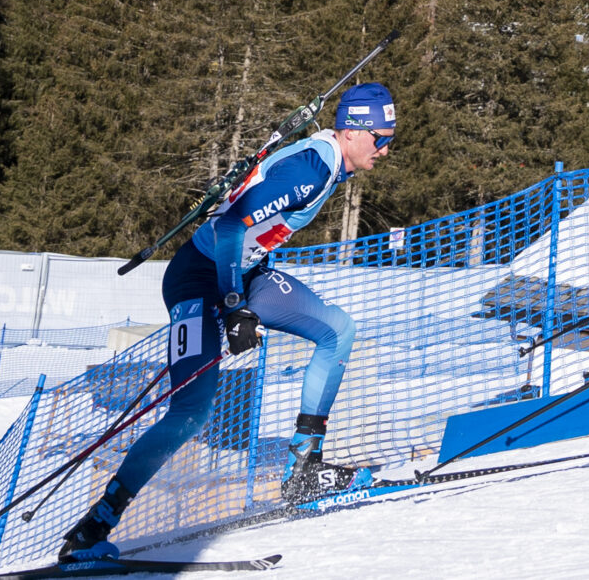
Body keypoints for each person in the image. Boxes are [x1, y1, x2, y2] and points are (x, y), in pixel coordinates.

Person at [59, 82, 397, 566]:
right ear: (352, 130)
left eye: (390, 140)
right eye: (381, 138)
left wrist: (241, 290)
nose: (385, 149)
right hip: (200, 277)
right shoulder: (311, 169)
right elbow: (230, 225)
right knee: (190, 413)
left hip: (243, 272)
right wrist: (235, 304)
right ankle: (93, 528)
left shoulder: (326, 165)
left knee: (337, 330)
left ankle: (303, 467)